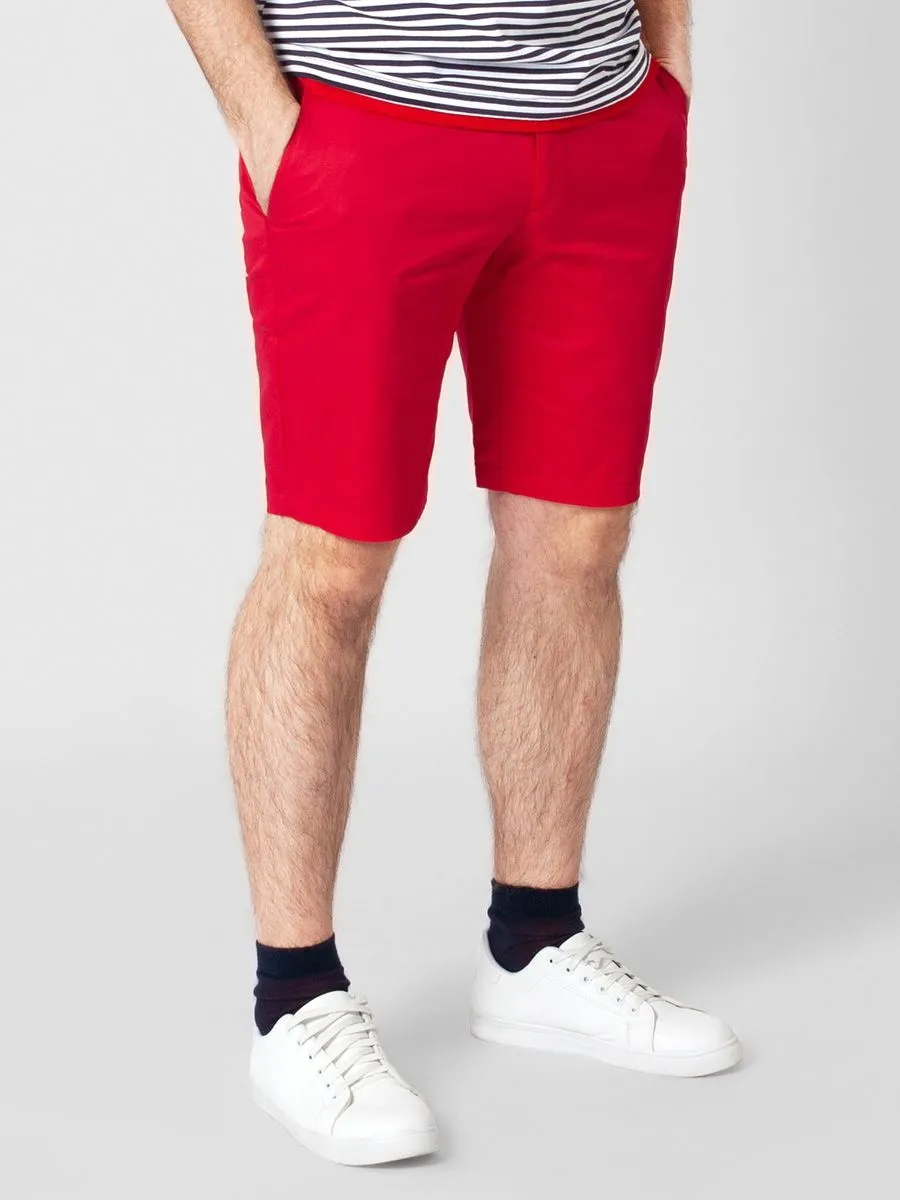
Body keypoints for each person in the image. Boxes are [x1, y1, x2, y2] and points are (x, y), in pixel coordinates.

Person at [167, 0, 740, 1166]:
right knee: (329, 562)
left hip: (602, 128)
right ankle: (293, 995)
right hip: (366, 126)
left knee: (576, 541)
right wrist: (265, 123)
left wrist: (666, 75)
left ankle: (535, 942)